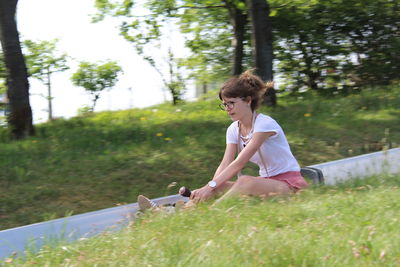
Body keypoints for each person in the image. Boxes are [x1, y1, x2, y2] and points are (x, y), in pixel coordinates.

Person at [137, 70, 308, 211]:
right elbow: (225, 164)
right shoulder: (233, 129)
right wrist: (210, 188)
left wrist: (208, 187)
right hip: (265, 184)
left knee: (244, 181)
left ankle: (209, 214)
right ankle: (171, 211)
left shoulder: (264, 124)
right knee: (219, 185)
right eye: (224, 104)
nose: (227, 109)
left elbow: (239, 163)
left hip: (289, 185)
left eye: (231, 103)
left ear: (248, 101)